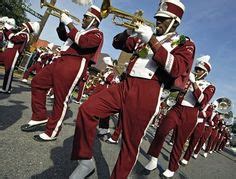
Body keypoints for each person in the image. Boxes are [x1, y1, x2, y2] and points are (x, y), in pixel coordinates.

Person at [70, 0, 195, 178]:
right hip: (125, 85)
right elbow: (116, 43)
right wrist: (129, 31)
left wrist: (151, 40)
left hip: (148, 91)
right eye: (157, 18)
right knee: (87, 109)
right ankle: (85, 160)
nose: (158, 21)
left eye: (163, 19)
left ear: (175, 21)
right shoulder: (144, 37)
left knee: (129, 144)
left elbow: (177, 69)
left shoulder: (184, 43)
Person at [20, 5, 103, 142]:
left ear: (94, 20)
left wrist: (69, 23)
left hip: (75, 64)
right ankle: (40, 117)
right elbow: (63, 36)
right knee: (37, 82)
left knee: (60, 98)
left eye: (86, 17)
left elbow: (83, 43)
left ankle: (52, 131)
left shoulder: (97, 34)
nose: (82, 18)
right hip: (61, 60)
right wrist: (61, 22)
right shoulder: (80, 31)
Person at [143, 55, 215, 178]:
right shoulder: (188, 77)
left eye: (199, 69)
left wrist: (194, 83)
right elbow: (174, 87)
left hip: (191, 113)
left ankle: (172, 167)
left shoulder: (210, 86)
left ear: (205, 72)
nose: (196, 70)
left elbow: (202, 101)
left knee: (179, 142)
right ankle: (153, 159)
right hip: (177, 108)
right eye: (196, 68)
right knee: (161, 131)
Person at [0, 20, 40, 93]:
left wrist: (6, 29)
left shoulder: (25, 34)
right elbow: (9, 37)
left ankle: (6, 88)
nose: (22, 26)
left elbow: (14, 39)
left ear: (26, 28)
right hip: (8, 51)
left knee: (8, 71)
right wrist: (4, 29)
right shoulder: (21, 33)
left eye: (23, 26)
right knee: (8, 71)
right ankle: (7, 87)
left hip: (13, 53)